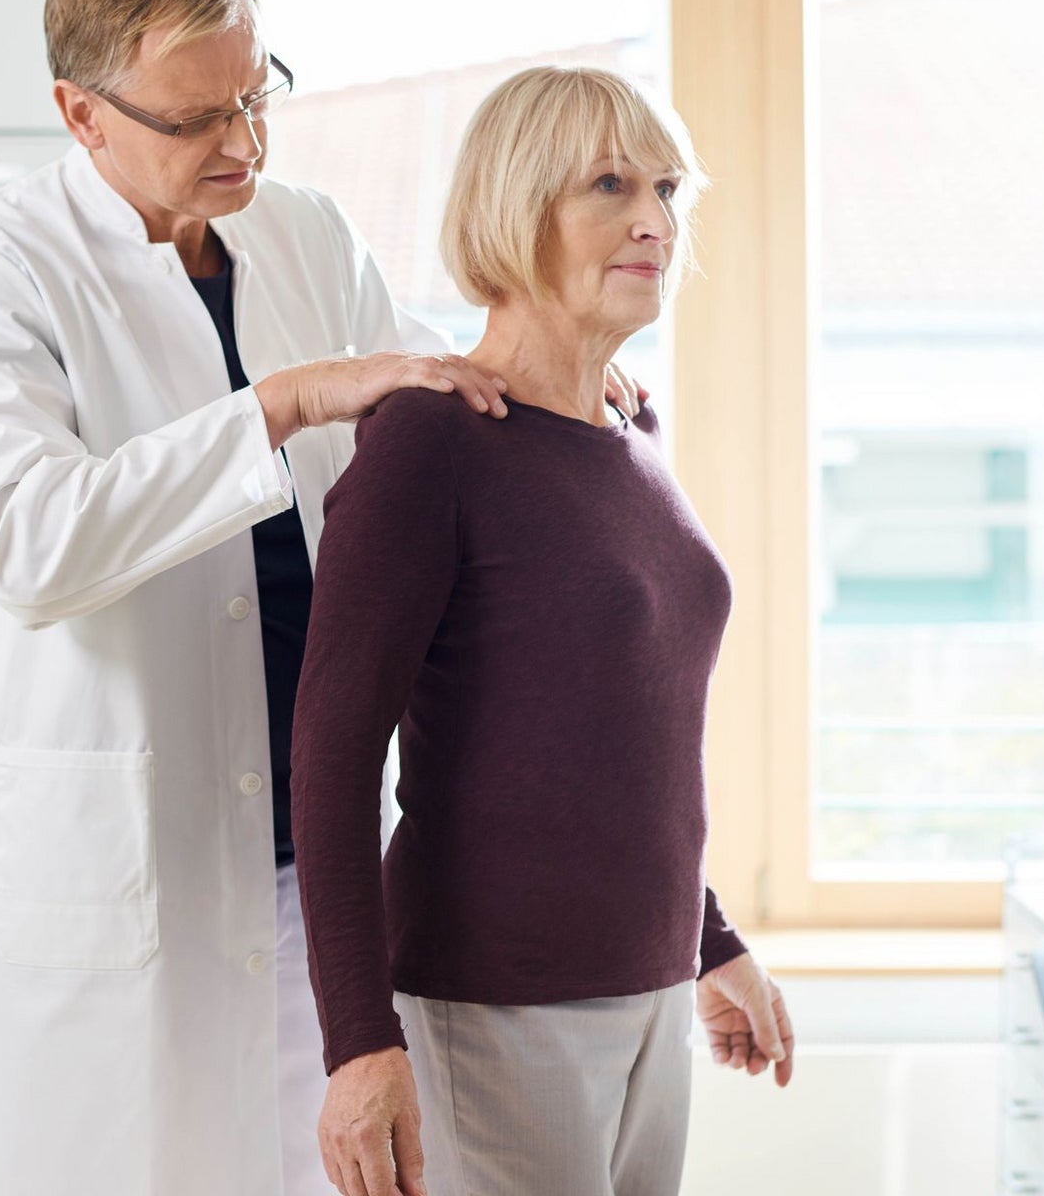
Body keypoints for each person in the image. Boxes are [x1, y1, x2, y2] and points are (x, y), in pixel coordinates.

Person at [0, 0, 645, 1195]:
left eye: (258, 95)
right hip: (126, 864)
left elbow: (437, 393)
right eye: (198, 118)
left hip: (321, 852)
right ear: (79, 115)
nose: (243, 141)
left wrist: (565, 371)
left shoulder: (303, 234)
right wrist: (285, 402)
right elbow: (28, 542)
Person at [290, 66, 794, 1196]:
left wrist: (709, 939)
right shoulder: (433, 441)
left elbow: (628, 737)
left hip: (648, 989)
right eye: (609, 184)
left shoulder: (631, 428)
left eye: (667, 187)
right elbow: (329, 753)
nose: (654, 221)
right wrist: (357, 1040)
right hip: (492, 1005)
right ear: (517, 207)